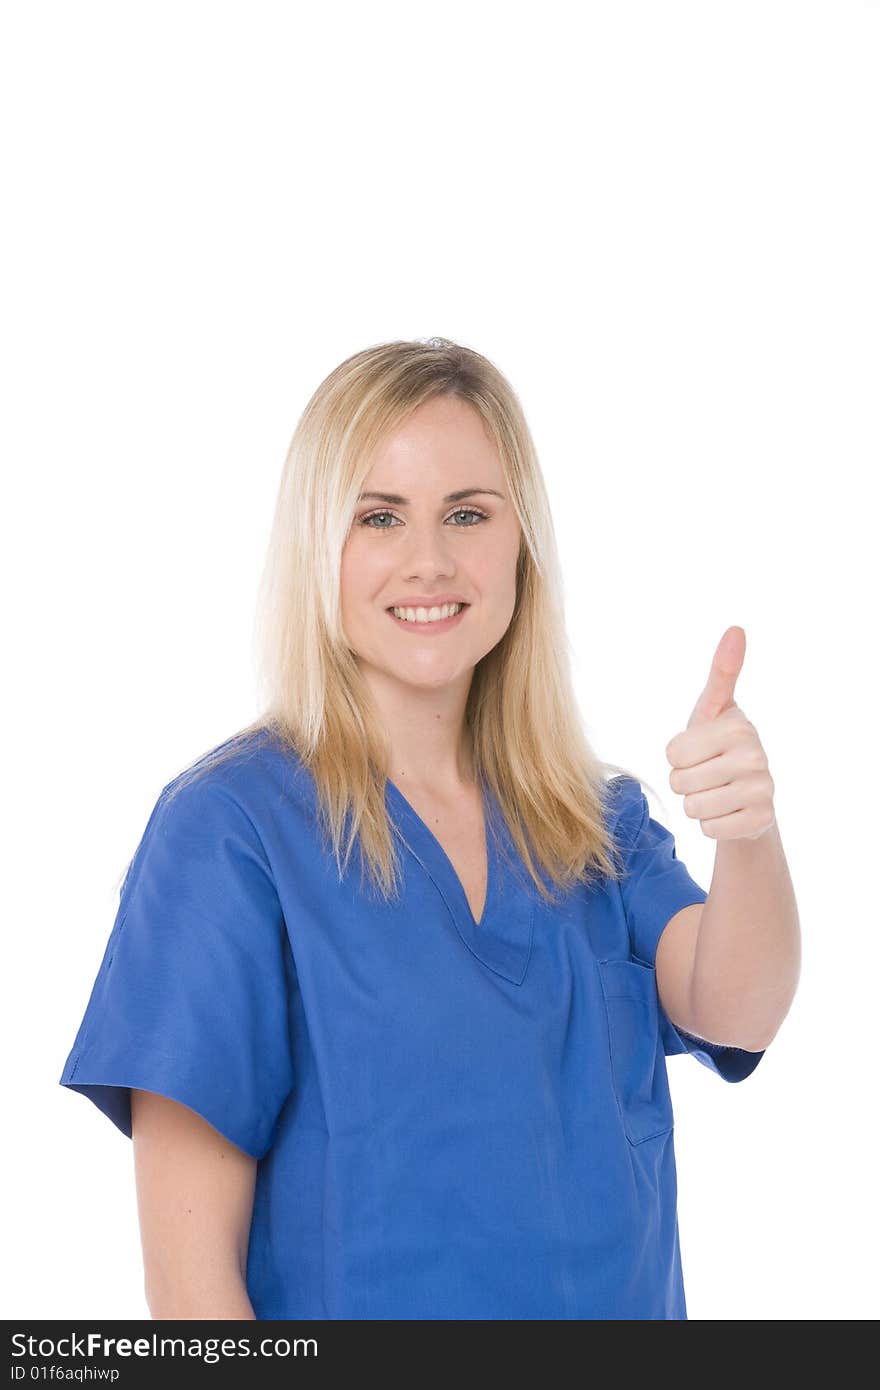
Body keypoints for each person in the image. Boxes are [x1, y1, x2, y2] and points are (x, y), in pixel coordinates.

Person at [59, 336, 770, 1320]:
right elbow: (191, 1290)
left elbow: (734, 1011)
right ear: (320, 548)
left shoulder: (590, 819)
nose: (427, 561)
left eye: (467, 514)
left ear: (520, 539)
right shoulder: (229, 833)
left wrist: (748, 833)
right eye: (378, 517)